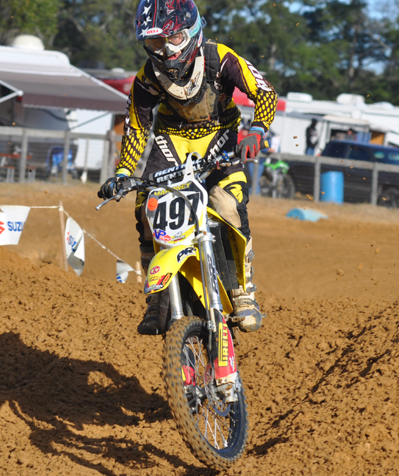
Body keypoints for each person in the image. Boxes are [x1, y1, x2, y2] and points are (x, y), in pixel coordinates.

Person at [98, 0, 277, 335]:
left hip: (220, 135)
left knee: (228, 203)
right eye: (155, 42)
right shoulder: (146, 78)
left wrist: (257, 130)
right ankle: (157, 299)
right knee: (146, 207)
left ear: (193, 31)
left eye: (174, 38)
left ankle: (242, 291)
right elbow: (136, 127)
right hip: (172, 140)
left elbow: (265, 92)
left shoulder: (220, 57)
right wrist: (122, 174)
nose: (166, 50)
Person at [246, 127, 279, 196]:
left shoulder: (268, 138)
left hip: (260, 162)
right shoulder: (255, 135)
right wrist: (267, 150)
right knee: (253, 179)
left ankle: (255, 193)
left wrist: (270, 149)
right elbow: (257, 146)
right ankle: (253, 193)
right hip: (252, 162)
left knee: (256, 179)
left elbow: (270, 146)